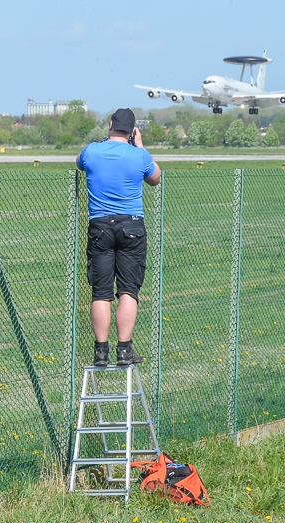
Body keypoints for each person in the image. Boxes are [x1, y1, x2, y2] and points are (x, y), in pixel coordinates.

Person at [76, 108, 161, 367]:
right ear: (133, 130)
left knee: (101, 293)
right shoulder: (139, 155)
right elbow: (156, 178)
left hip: (99, 225)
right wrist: (141, 146)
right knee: (128, 291)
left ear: (110, 124)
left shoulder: (91, 150)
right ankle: (124, 350)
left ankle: (101, 351)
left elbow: (79, 163)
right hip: (131, 226)